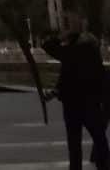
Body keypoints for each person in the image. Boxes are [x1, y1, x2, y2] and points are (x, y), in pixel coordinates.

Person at [42, 10, 108, 170]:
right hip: (89, 104)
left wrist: (61, 36)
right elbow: (69, 78)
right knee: (99, 139)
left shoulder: (74, 52)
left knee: (75, 144)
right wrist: (56, 92)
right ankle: (103, 165)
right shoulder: (88, 52)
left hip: (75, 106)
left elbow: (48, 46)